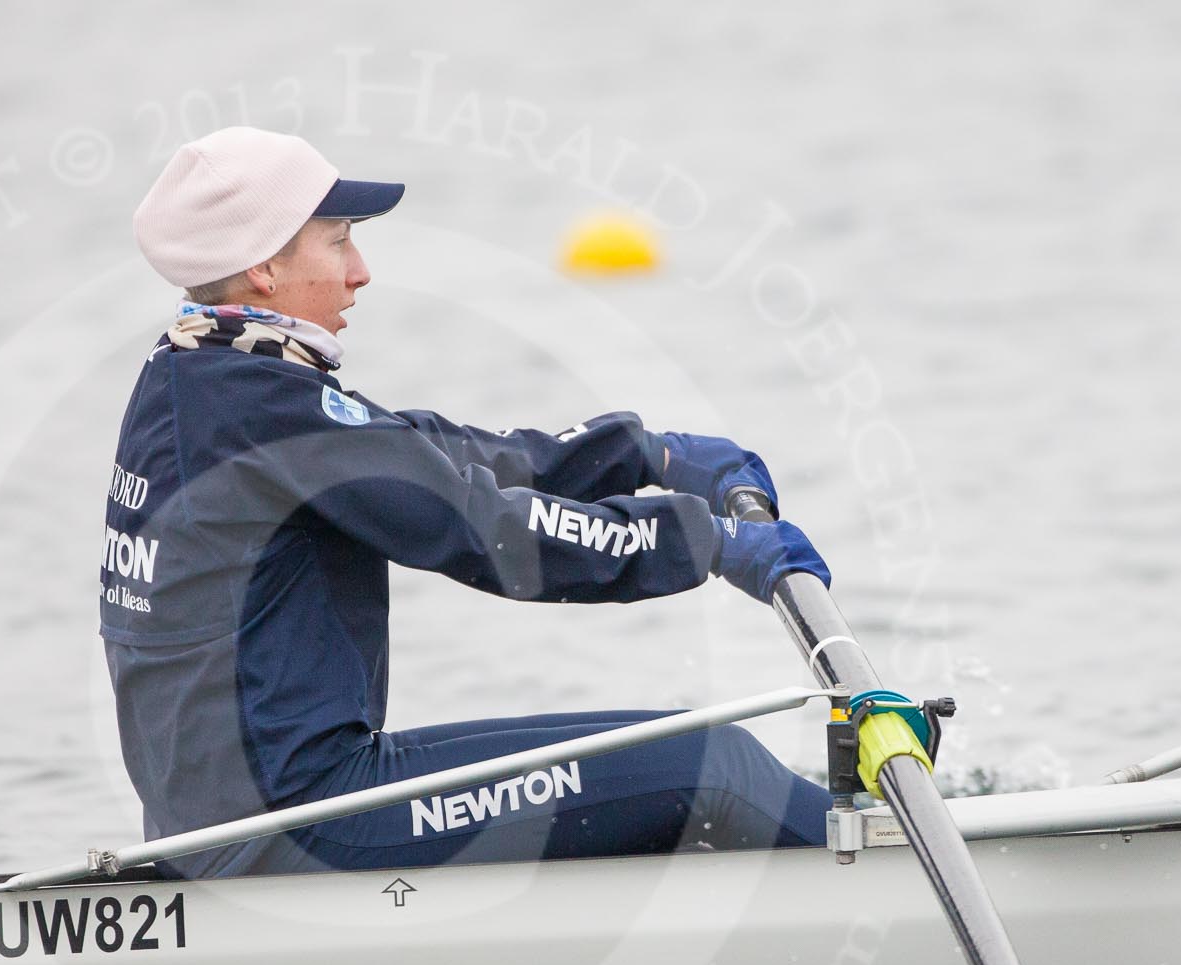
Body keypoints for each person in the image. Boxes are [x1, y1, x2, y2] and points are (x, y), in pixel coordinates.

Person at [102, 126, 833, 878]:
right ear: (262, 267)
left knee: (677, 762)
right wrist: (708, 543)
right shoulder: (262, 411)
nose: (361, 272)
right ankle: (888, 876)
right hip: (294, 823)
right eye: (339, 242)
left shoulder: (190, 379)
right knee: (716, 764)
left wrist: (641, 454)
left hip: (230, 818)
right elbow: (491, 533)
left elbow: (428, 458)